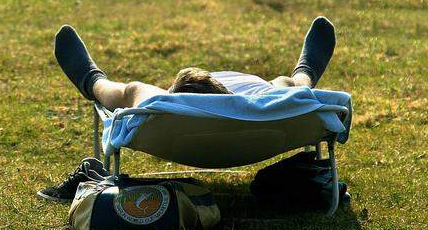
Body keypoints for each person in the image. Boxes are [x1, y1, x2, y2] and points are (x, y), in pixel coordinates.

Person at [38, 16, 337, 202]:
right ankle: (304, 73)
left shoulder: (155, 106)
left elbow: (130, 111)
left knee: (132, 91)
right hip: (258, 107)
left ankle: (93, 82)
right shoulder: (271, 101)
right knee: (289, 86)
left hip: (175, 114)